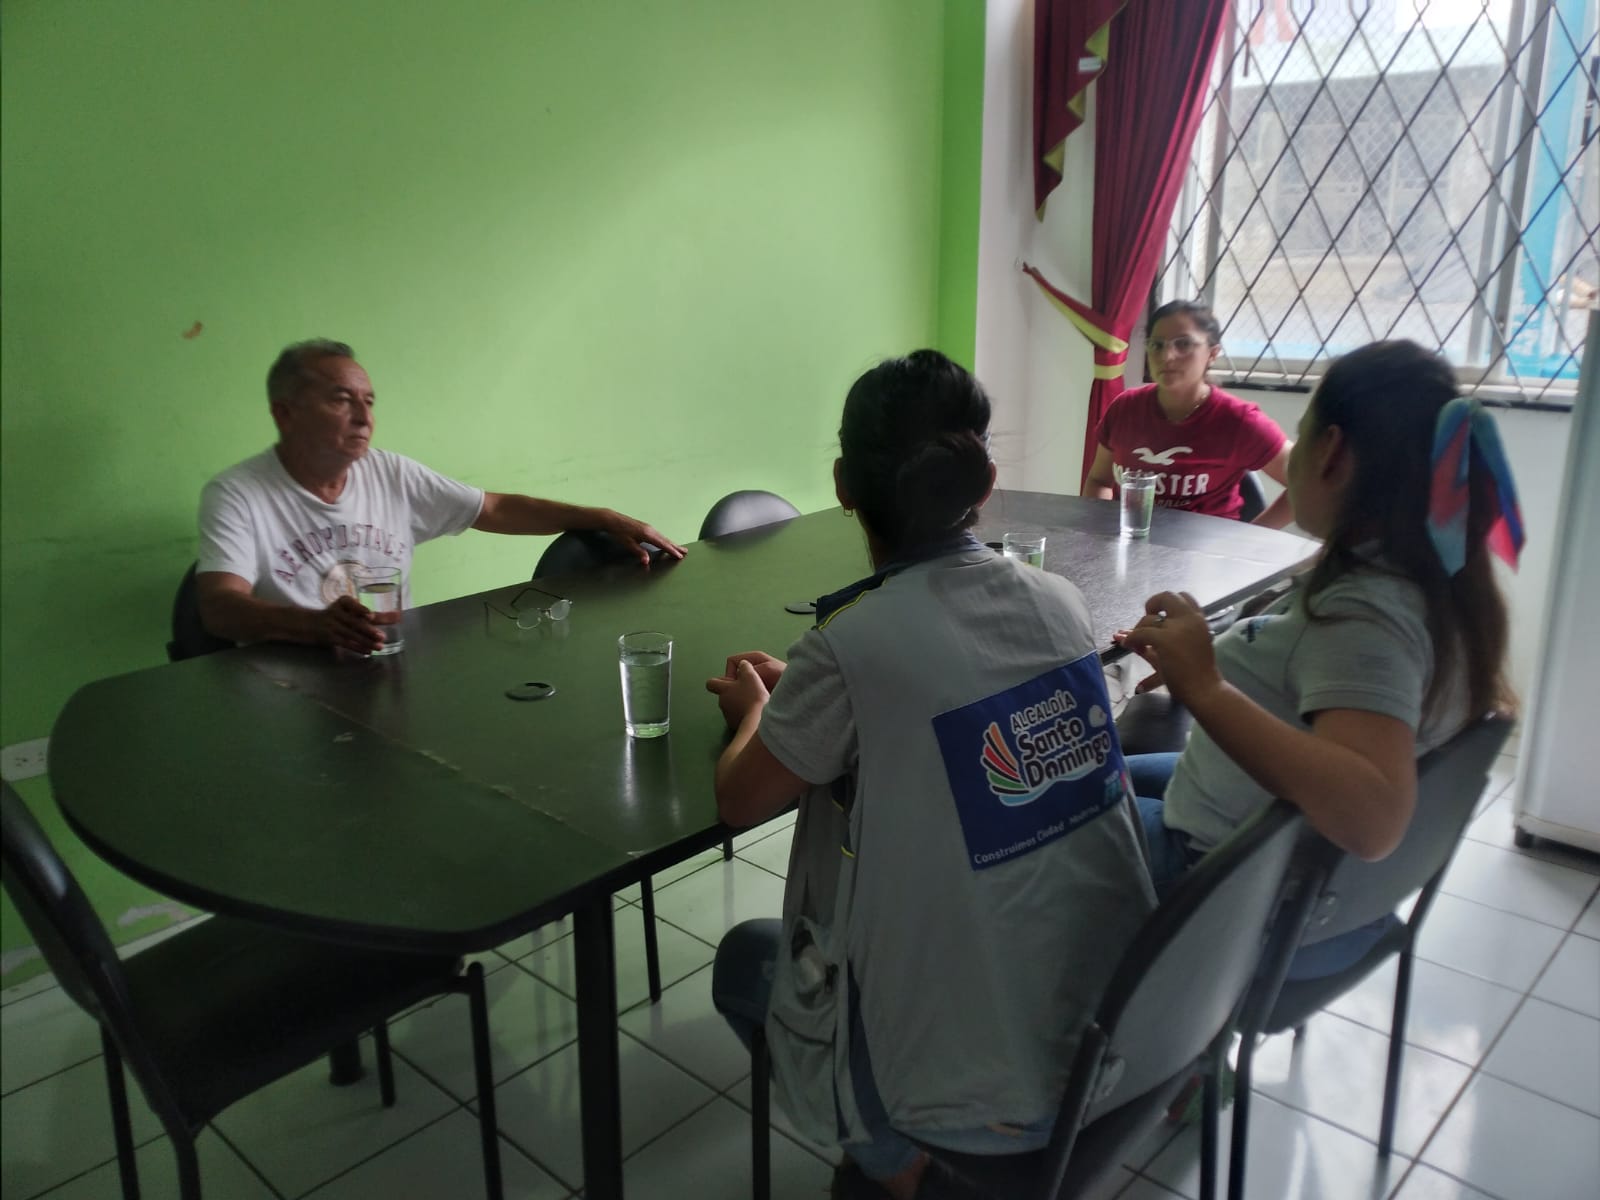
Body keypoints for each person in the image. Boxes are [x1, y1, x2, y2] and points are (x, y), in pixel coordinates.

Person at [703, 351, 1155, 1199]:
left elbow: (740, 798)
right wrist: (810, 696)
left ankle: (904, 1172)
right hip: (1123, 1040)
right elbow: (928, 700)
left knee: (743, 962)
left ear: (843, 485)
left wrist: (762, 709)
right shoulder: (1060, 601)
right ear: (982, 482)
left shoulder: (850, 643)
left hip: (987, 1101)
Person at [1118, 340, 1521, 977]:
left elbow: (1373, 816)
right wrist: (1206, 664)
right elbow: (1306, 673)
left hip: (1229, 900)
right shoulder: (1431, 576)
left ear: (1331, 451)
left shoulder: (1366, 614)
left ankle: (1076, 1006)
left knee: (1032, 817)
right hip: (1281, 856)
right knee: (1095, 773)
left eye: (1301, 434)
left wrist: (1206, 687)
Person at [196, 339, 683, 654]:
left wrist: (602, 517)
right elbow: (219, 607)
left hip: (389, 663)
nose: (364, 418)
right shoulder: (238, 493)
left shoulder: (389, 473)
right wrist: (314, 626)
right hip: (287, 683)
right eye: (342, 400)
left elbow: (492, 509)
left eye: (369, 402)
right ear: (285, 414)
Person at [1084, 300, 1294, 527]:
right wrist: (1100, 532)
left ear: (1212, 353)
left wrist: (1251, 538)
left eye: (1183, 344)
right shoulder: (1125, 409)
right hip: (1131, 539)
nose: (1167, 356)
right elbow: (1099, 480)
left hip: (1206, 545)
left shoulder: (1238, 420)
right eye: (1157, 345)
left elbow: (1306, 483)